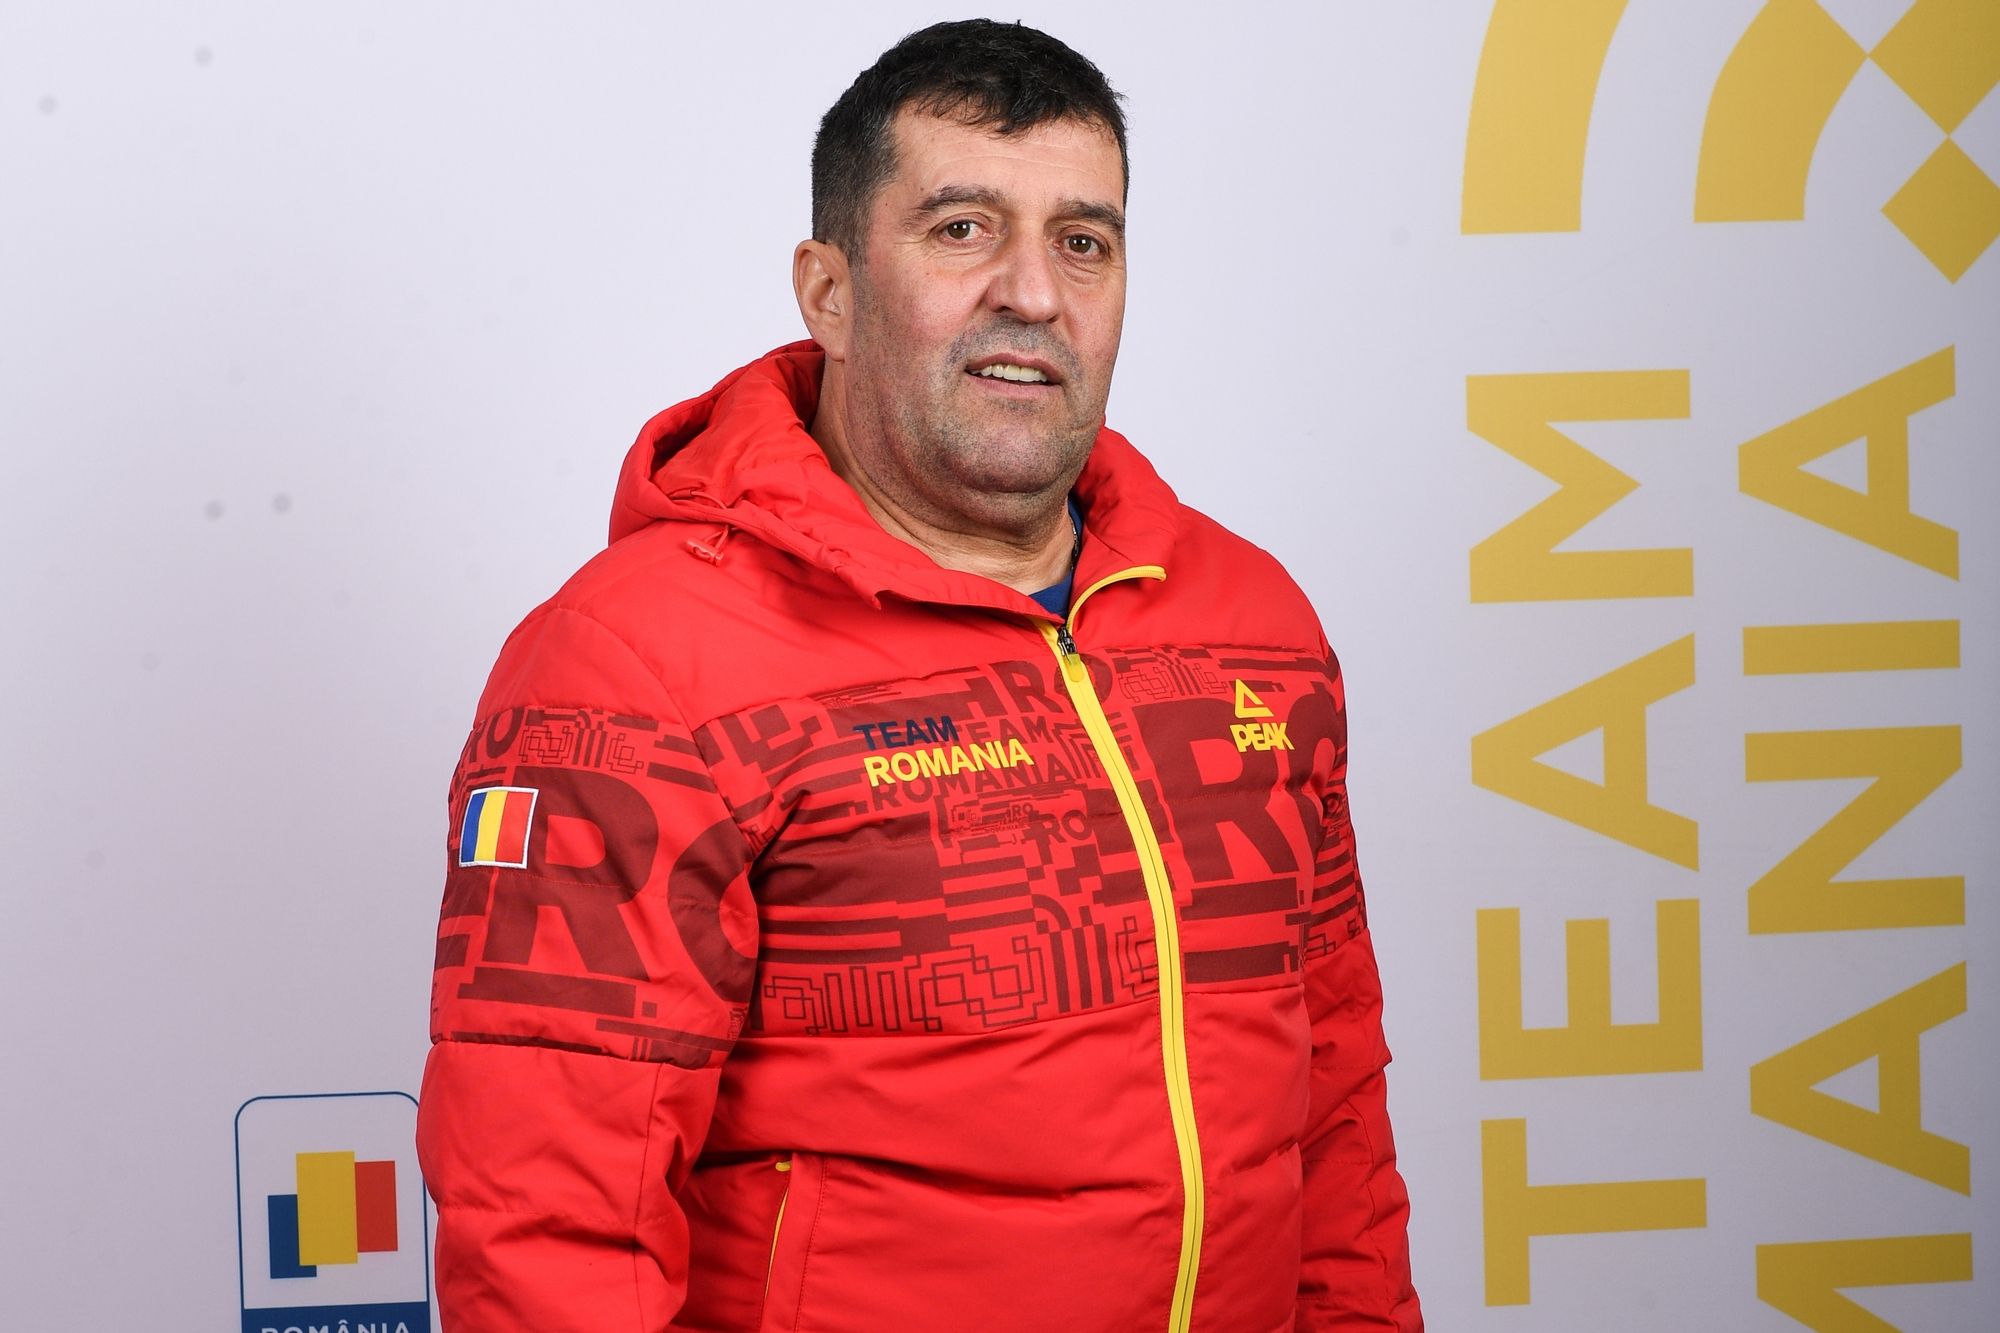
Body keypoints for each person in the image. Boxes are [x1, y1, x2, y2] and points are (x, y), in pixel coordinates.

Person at [417, 18, 1421, 1331]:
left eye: (1083, 241)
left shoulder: (1250, 624)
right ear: (828, 291)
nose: (1034, 293)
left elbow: (1335, 1119)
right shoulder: (636, 665)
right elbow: (550, 1224)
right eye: (962, 229)